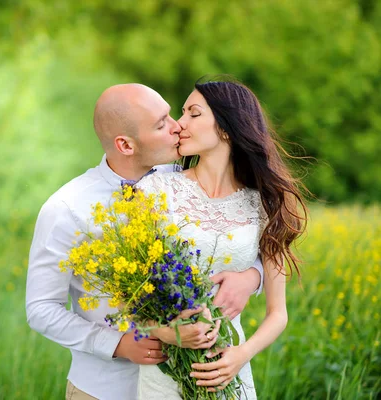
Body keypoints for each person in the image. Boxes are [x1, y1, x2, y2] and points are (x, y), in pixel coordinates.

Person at [26, 83, 265, 400]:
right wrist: (118, 344)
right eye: (161, 123)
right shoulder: (67, 208)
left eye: (172, 114)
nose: (177, 126)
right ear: (125, 145)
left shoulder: (182, 180)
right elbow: (42, 309)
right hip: (105, 389)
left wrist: (252, 277)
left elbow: (232, 236)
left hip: (188, 382)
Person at [135, 78, 308, 399]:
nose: (179, 124)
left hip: (229, 368)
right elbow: (128, 296)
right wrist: (169, 333)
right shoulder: (154, 192)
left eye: (193, 114)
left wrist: (240, 356)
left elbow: (278, 314)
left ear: (227, 129)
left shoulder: (264, 203)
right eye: (182, 113)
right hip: (165, 372)